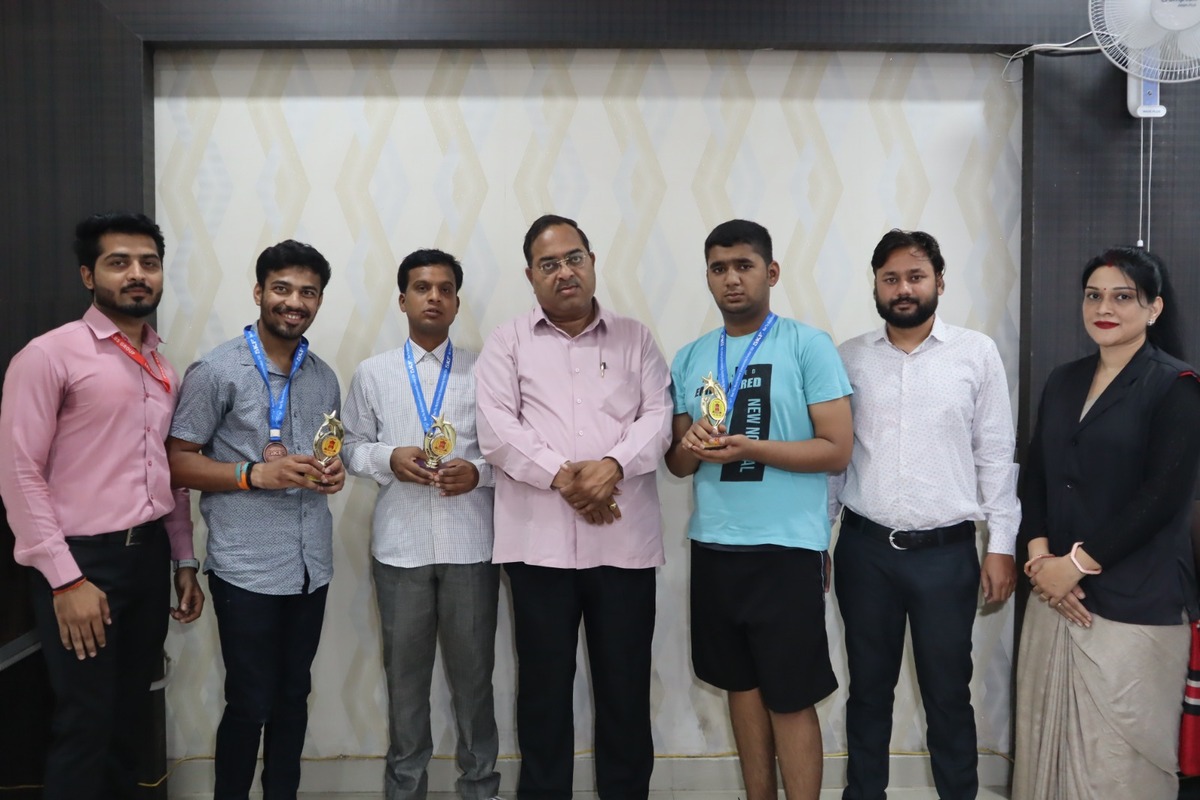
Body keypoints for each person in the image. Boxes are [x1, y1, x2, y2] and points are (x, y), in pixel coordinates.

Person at [0, 212, 203, 800]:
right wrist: (66, 580)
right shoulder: (49, 356)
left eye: (149, 263)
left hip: (148, 558)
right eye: (119, 263)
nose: (137, 274)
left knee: (129, 718)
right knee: (84, 722)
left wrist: (183, 560)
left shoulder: (163, 367)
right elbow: (19, 474)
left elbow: (168, 471)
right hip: (82, 562)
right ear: (89, 275)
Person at [474, 214, 672, 800]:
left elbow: (659, 417)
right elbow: (496, 429)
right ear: (530, 276)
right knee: (543, 694)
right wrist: (566, 478)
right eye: (549, 264)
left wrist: (612, 467)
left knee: (625, 693)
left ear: (592, 262)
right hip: (538, 549)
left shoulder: (636, 338)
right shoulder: (507, 342)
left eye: (574, 258)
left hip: (624, 546)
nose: (565, 272)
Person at [665, 219, 853, 800]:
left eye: (744, 266)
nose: (732, 279)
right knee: (739, 688)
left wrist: (752, 448)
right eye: (719, 268)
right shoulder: (691, 356)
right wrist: (691, 443)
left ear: (770, 272)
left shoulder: (808, 345)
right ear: (708, 277)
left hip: (786, 547)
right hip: (715, 543)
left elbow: (836, 449)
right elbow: (678, 463)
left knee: (790, 694)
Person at [829, 229, 1019, 800]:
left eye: (915, 276)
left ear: (939, 281)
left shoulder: (976, 353)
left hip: (946, 557)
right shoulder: (848, 358)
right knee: (867, 693)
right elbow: (835, 461)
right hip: (864, 553)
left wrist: (1002, 545)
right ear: (876, 286)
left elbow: (995, 454)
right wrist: (818, 541)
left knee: (948, 694)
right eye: (890, 278)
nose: (903, 289)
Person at [1013, 247, 1200, 800]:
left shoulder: (1177, 385)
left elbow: (1161, 498)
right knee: (1044, 753)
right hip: (1052, 594)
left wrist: (1075, 565)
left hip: (1136, 600)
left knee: (1117, 768)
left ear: (1154, 308)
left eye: (1122, 297)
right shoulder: (1063, 380)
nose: (1104, 308)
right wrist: (1041, 559)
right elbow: (1037, 475)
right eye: (1094, 295)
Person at [166, 239, 345, 799]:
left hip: (311, 566)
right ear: (259, 292)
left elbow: (327, 450)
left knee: (294, 697)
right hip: (245, 568)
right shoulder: (217, 370)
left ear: (319, 301)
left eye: (308, 292)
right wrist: (253, 474)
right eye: (282, 289)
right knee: (249, 701)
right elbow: (177, 461)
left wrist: (333, 471)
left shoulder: (324, 377)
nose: (295, 302)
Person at [342, 248, 501, 800]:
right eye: (421, 287)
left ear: (456, 302)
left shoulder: (488, 371)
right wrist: (388, 458)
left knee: (474, 683)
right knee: (405, 685)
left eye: (445, 289)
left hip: (471, 549)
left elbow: (510, 452)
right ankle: (405, 789)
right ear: (402, 299)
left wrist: (477, 473)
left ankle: (480, 787)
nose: (434, 297)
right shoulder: (373, 373)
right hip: (399, 550)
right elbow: (349, 448)